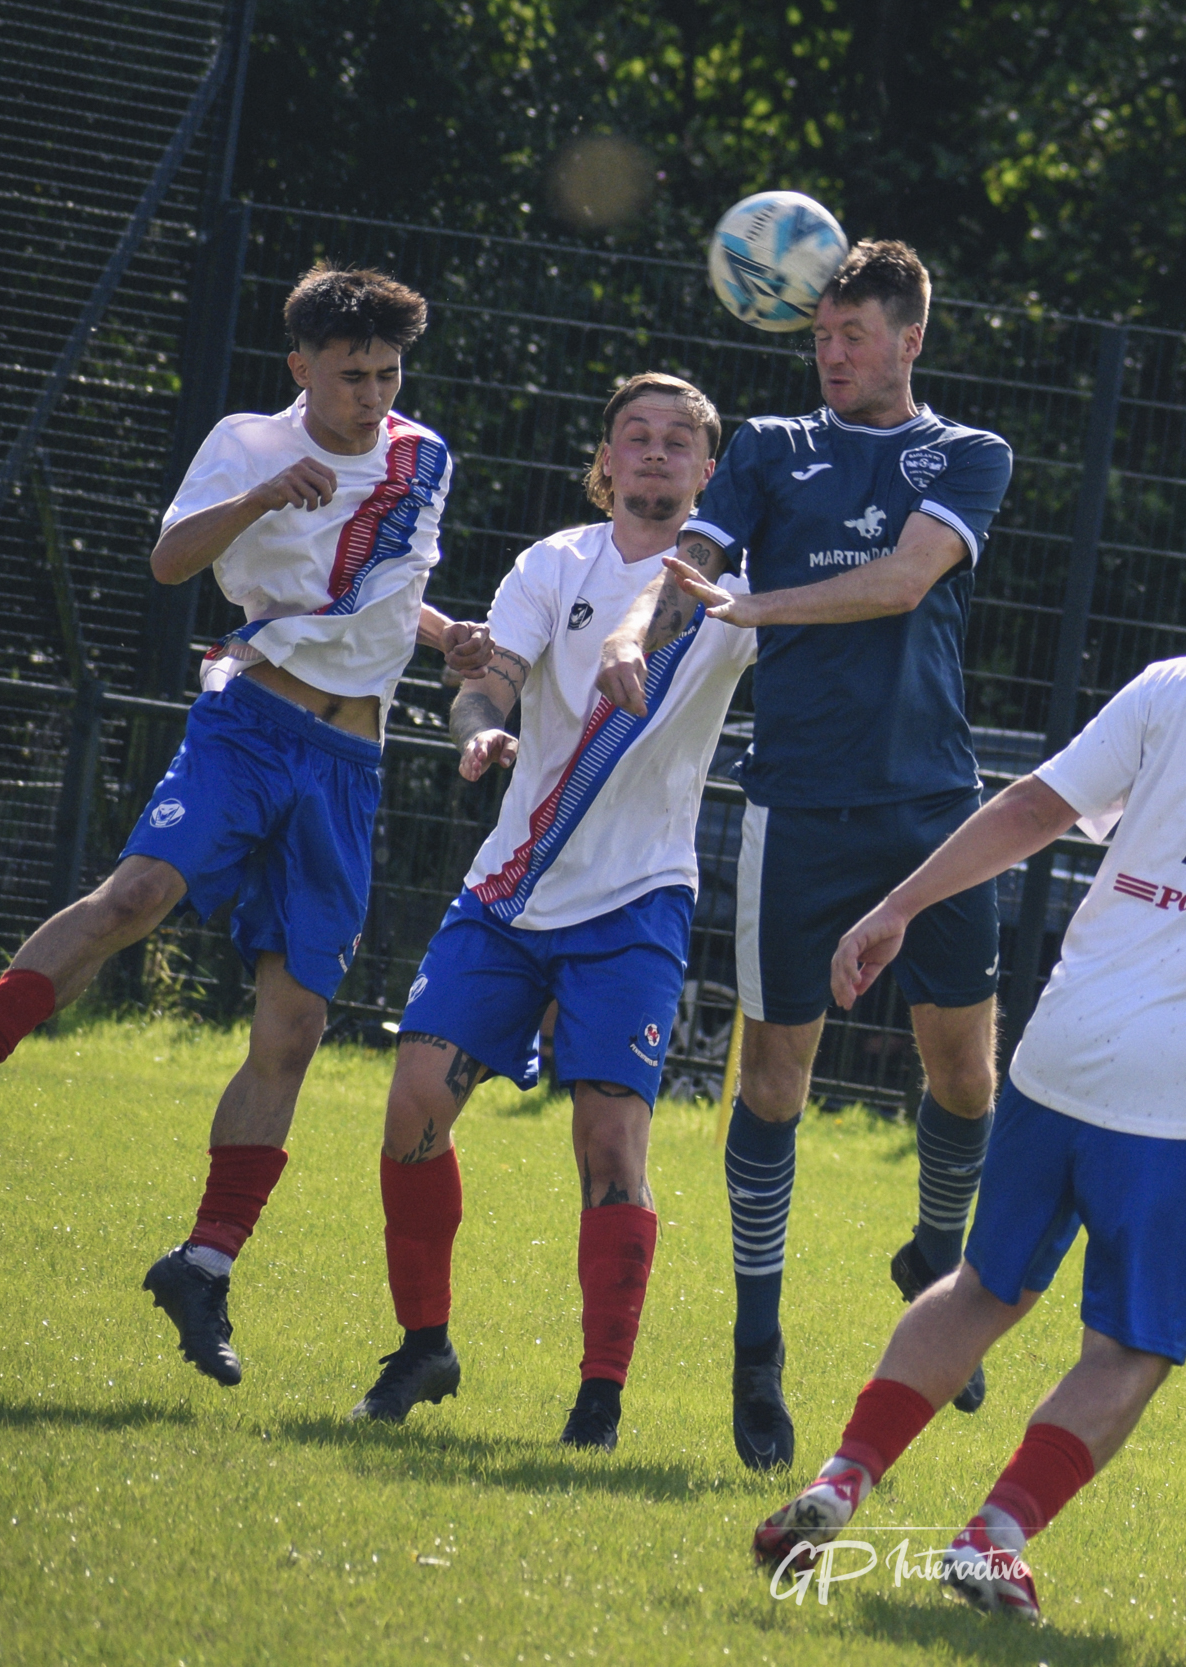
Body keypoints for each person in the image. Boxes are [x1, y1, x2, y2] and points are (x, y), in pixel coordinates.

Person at [750, 484, 1186, 1620]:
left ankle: (842, 1476)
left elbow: (1032, 806)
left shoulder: (1175, 684)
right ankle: (996, 1529)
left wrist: (897, 907)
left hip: (1064, 1052)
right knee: (1132, 1341)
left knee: (985, 1283)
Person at [0, 264, 476, 1387]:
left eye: (388, 373)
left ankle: (205, 1261)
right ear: (300, 367)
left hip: (351, 762)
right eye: (349, 373)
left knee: (294, 1028)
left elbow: (386, 585)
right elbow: (169, 563)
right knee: (136, 895)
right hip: (249, 725)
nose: (370, 393)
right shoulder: (247, 445)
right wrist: (261, 499)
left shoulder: (425, 456)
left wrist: (448, 633)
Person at [597, 240, 1013, 1469]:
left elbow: (899, 583)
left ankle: (937, 1261)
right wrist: (634, 630)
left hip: (935, 810)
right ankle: (757, 1346)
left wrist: (753, 610)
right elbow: (687, 569)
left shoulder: (967, 455)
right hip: (797, 808)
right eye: (819, 337)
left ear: (908, 340)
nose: (830, 356)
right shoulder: (773, 448)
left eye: (852, 337)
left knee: (965, 1078)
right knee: (773, 1082)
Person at [348, 372, 755, 1454]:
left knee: (610, 1138)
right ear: (606, 461)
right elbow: (487, 677)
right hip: (508, 887)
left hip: (638, 897)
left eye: (681, 440)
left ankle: (598, 1401)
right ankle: (422, 1343)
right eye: (637, 436)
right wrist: (479, 730)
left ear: (710, 471)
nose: (658, 453)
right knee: (414, 1109)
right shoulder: (553, 562)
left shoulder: (733, 591)